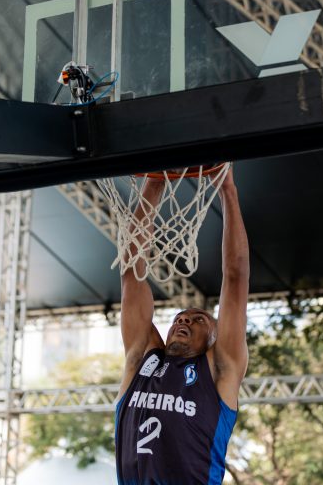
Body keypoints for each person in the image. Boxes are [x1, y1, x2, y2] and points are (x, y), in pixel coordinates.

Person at [114, 167, 249, 484]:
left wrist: (227, 188)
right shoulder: (142, 359)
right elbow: (132, 272)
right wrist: (154, 183)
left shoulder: (219, 369)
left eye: (199, 320)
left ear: (214, 339)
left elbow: (236, 277)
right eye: (180, 318)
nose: (185, 319)